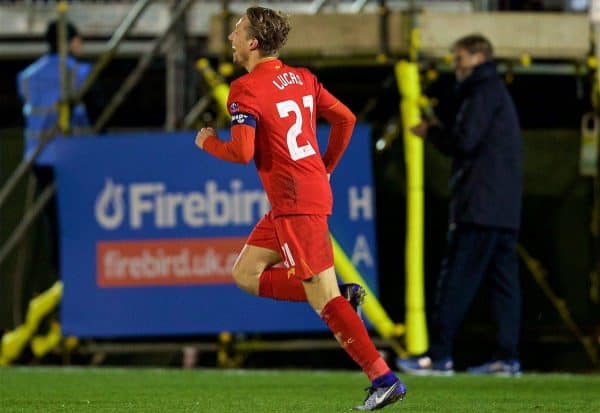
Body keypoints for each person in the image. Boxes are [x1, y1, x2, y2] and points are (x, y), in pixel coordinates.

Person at [195, 7, 406, 410]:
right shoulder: (304, 78)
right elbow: (345, 119)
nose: (231, 38)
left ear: (254, 43)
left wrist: (208, 143)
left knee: (322, 300)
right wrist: (325, 167)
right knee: (245, 273)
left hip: (295, 203)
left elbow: (241, 152)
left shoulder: (244, 88)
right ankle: (342, 295)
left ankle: (383, 377)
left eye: (237, 32)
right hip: (294, 200)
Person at [396, 34, 523, 376]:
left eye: (460, 58)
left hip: (480, 206)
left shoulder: (482, 91)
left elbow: (465, 141)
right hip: (504, 209)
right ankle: (507, 358)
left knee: (456, 279)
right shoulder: (495, 91)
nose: (456, 65)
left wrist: (433, 132)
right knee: (503, 286)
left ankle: (439, 357)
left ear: (479, 55)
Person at [16, 19, 92, 280]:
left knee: (52, 226)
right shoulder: (78, 73)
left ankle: (59, 279)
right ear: (70, 42)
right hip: (70, 158)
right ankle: (73, 281)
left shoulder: (26, 77)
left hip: (38, 159)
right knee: (76, 224)